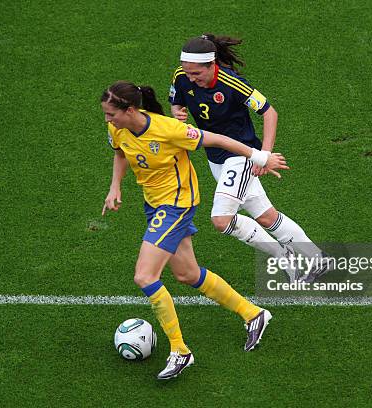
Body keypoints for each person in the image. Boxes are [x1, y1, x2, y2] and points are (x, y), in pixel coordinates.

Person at [100, 81, 288, 380]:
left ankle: (180, 350)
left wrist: (259, 156)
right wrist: (114, 187)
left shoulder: (170, 130)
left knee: (145, 276)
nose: (108, 120)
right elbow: (120, 152)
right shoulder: (118, 130)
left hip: (176, 204)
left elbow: (220, 140)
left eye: (112, 114)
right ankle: (254, 314)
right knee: (187, 274)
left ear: (131, 110)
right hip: (155, 205)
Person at [169, 33, 330, 283]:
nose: (191, 79)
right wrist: (178, 113)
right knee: (266, 216)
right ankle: (316, 258)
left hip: (241, 156)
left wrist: (263, 155)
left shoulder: (232, 83)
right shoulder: (181, 76)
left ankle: (283, 257)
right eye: (187, 73)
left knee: (221, 220)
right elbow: (177, 103)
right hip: (216, 159)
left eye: (196, 74)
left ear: (212, 65)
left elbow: (269, 112)